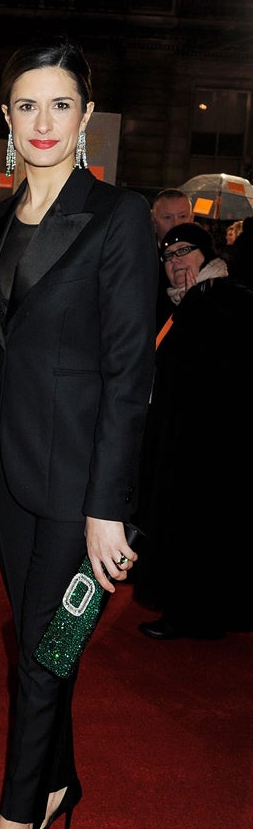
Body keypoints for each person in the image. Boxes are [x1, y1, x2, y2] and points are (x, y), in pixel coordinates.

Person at [0, 37, 158, 829]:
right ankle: (58, 779)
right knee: (45, 647)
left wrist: (108, 507)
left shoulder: (118, 217)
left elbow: (129, 374)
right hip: (9, 477)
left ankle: (16, 823)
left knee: (46, 654)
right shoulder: (1, 218)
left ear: (86, 119)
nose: (44, 122)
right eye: (27, 106)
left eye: (61, 105)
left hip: (84, 492)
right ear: (7, 120)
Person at [134, 222, 253, 639]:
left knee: (203, 532)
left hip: (213, 446)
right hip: (186, 442)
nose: (175, 262)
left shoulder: (223, 295)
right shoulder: (179, 303)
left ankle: (193, 614)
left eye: (185, 251)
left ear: (206, 255)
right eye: (168, 256)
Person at [150, 188, 194, 329]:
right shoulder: (140, 263)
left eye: (182, 216)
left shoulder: (208, 262)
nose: (176, 224)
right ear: (154, 222)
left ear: (191, 219)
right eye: (167, 217)